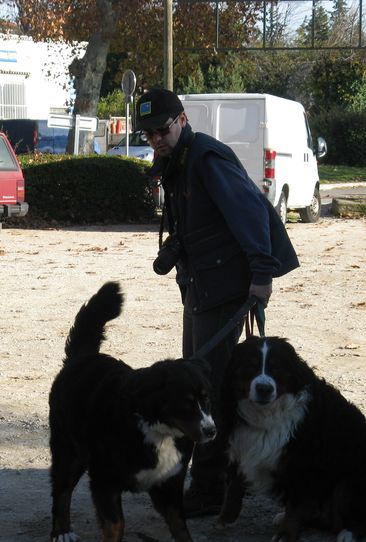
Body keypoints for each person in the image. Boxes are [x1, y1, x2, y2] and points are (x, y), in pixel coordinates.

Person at [135, 88, 299, 517]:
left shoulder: (206, 158)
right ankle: (214, 481)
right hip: (201, 285)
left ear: (182, 120)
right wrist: (173, 248)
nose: (155, 139)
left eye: (161, 130)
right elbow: (199, 220)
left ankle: (210, 487)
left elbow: (250, 214)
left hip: (226, 288)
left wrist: (261, 276)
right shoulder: (178, 161)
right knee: (199, 383)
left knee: (207, 391)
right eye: (148, 134)